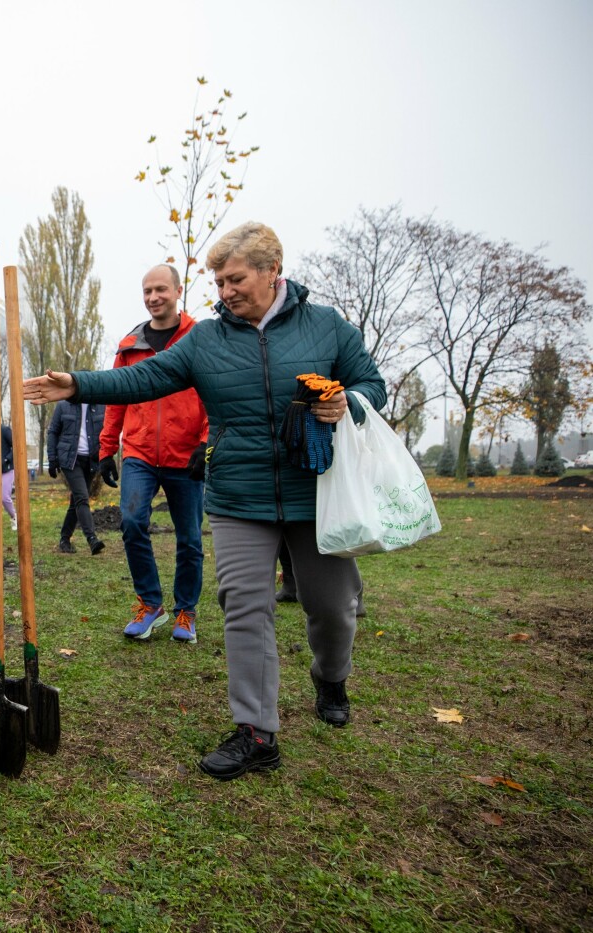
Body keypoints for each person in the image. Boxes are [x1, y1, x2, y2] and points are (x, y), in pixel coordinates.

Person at [24, 221, 386, 781]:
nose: (225, 291)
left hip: (316, 492)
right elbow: (145, 379)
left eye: (236, 278)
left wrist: (348, 402)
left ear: (272, 271)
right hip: (239, 495)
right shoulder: (208, 340)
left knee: (332, 610)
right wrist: (78, 384)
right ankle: (256, 731)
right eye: (218, 281)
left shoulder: (326, 327)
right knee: (244, 606)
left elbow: (371, 384)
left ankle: (331, 676)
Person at [98, 264, 209, 644]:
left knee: (190, 539)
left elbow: (215, 393)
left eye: (160, 289)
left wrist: (205, 443)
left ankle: (186, 611)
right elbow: (116, 396)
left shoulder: (199, 338)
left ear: (178, 290)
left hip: (186, 455)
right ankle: (150, 603)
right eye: (147, 291)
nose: (153, 298)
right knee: (131, 523)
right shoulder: (131, 346)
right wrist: (106, 448)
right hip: (140, 452)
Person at [46, 398, 107, 555]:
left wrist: (107, 457)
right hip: (70, 460)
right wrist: (52, 459)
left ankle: (64, 539)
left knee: (77, 502)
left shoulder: (101, 406)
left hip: (91, 461)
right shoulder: (63, 405)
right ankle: (92, 538)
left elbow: (107, 432)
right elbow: (53, 431)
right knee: (81, 497)